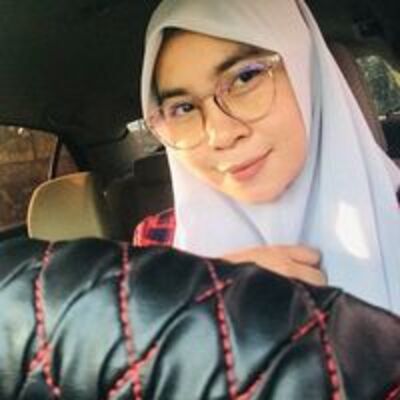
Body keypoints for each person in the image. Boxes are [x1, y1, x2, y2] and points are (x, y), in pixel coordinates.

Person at [136, 0, 400, 314]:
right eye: (184, 108)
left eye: (245, 78)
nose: (220, 134)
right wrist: (200, 306)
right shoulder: (157, 247)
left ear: (307, 74)